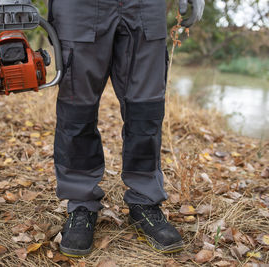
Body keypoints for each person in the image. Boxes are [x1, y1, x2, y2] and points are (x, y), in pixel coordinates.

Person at [47, 0, 205, 257]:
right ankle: (81, 204)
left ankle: (145, 200)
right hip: (79, 7)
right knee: (77, 111)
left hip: (145, 5)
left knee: (146, 111)